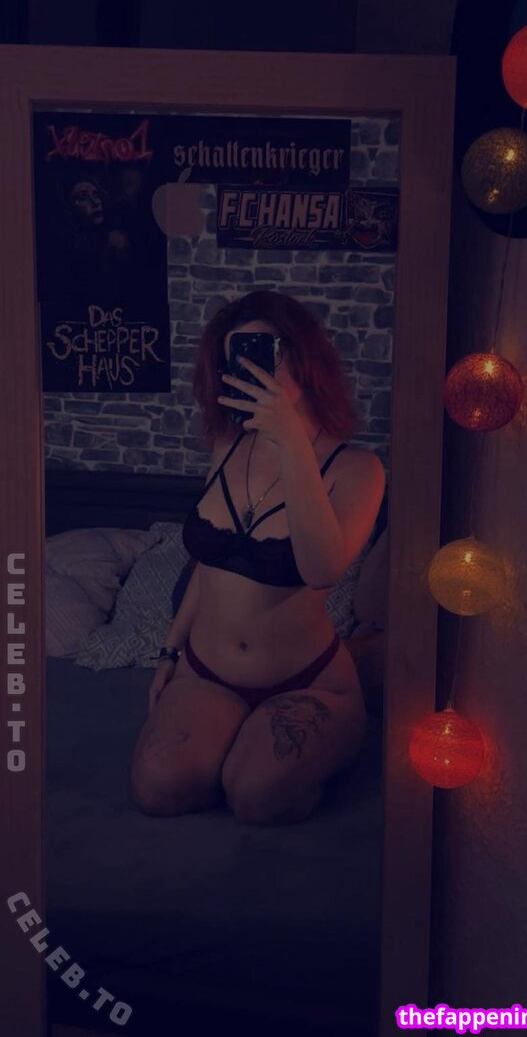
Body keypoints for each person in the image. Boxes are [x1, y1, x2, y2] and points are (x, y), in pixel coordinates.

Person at [129, 290, 386, 824]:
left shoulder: (357, 469)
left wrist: (290, 439)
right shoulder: (227, 447)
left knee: (257, 797)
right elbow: (209, 565)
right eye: (235, 359)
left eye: (262, 352)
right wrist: (169, 651)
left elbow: (321, 571)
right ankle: (234, 736)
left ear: (303, 356)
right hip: (206, 672)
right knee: (158, 787)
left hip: (305, 679)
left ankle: (337, 729)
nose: (246, 369)